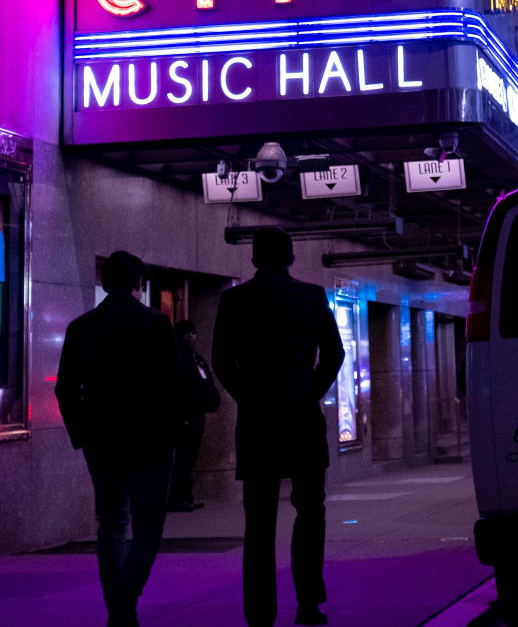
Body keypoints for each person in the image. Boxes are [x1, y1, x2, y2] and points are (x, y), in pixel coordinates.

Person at [212, 229, 344, 627]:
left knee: (259, 520)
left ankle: (259, 611)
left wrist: (247, 395)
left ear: (254, 260)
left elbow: (221, 360)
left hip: (258, 421)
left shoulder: (234, 300)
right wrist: (311, 391)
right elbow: (334, 353)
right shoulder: (311, 297)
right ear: (290, 257)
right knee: (310, 511)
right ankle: (307, 603)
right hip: (302, 417)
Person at [56, 252, 186, 627]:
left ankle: (118, 606)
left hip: (101, 437)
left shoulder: (81, 328)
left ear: (104, 282)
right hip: (153, 438)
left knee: (111, 522)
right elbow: (174, 386)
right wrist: (174, 434)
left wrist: (80, 435)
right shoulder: (156, 325)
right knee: (149, 527)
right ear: (139, 284)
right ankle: (125, 601)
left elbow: (66, 389)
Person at [168, 320, 220, 512]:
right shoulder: (181, 357)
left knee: (189, 456)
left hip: (196, 413)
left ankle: (185, 495)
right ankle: (178, 497)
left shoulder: (195, 357)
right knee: (183, 456)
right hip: (186, 413)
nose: (190, 336)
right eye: (186, 333)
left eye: (192, 333)